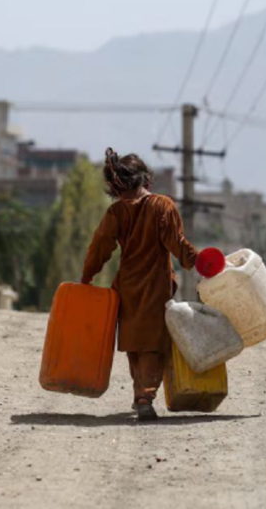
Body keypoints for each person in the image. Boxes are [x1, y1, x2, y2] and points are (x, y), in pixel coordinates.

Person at [81, 148, 198, 421]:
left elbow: (99, 247)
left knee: (134, 343)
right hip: (156, 286)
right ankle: (145, 395)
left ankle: (140, 393)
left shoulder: (116, 212)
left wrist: (87, 276)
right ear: (145, 179)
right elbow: (177, 244)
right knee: (153, 345)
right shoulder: (163, 206)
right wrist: (198, 262)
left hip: (127, 287)